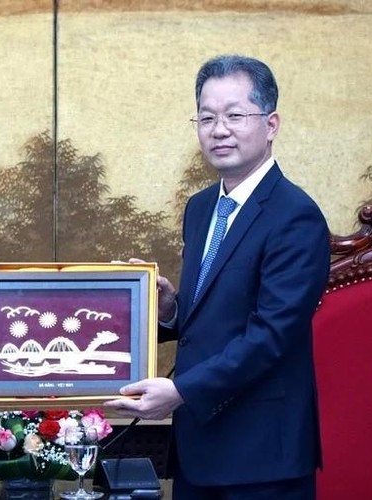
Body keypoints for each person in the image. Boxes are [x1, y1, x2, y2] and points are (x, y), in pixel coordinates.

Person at [105, 55, 330, 499]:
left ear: (271, 124)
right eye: (206, 117)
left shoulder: (295, 216)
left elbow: (270, 336)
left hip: (262, 456)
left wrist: (180, 391)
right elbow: (213, 316)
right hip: (199, 447)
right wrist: (170, 311)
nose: (218, 129)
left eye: (234, 115)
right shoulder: (202, 207)